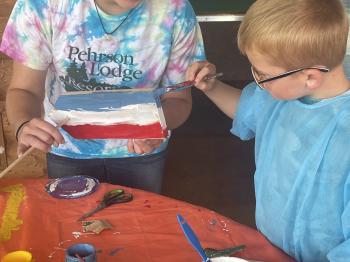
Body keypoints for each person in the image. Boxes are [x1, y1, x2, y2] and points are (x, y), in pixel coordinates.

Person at [186, 0, 350, 261]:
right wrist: (212, 88)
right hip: (271, 248)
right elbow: (247, 108)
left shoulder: (344, 133)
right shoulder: (280, 98)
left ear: (310, 77)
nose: (256, 81)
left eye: (263, 74)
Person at [0, 0, 205, 193]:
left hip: (142, 154)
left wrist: (159, 122)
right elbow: (24, 90)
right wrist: (23, 124)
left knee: (136, 225)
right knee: (73, 225)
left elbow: (179, 100)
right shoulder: (42, 5)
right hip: (67, 149)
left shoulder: (176, 9)